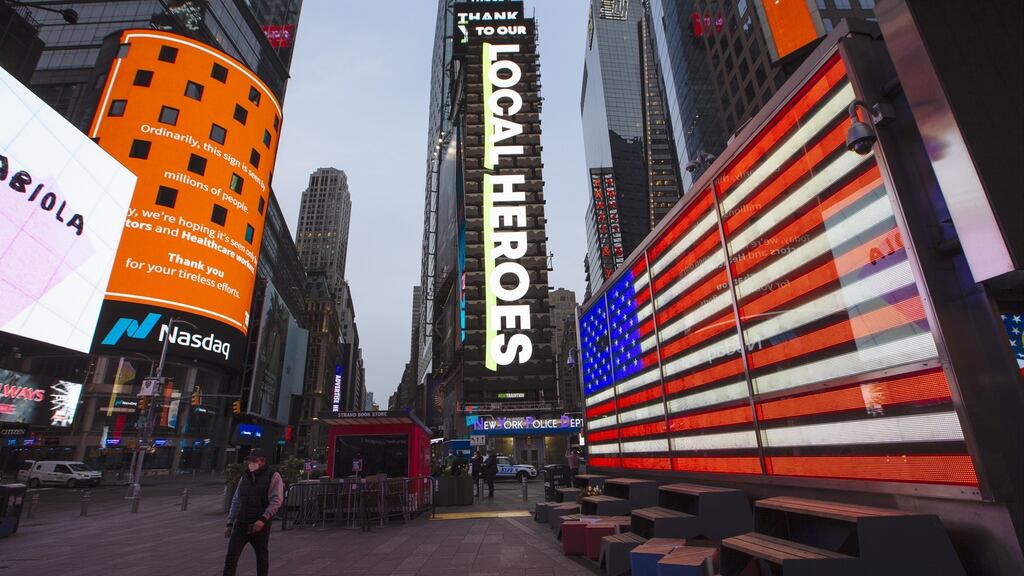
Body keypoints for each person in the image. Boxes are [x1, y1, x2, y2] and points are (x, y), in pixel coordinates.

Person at [223, 449, 283, 576]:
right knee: (231, 557)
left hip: (259, 525)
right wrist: (229, 523)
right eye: (249, 460)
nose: (250, 463)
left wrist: (263, 519)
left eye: (254, 460)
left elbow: (276, 501)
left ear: (262, 461)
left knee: (261, 557)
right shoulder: (245, 476)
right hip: (241, 523)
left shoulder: (273, 476)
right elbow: (236, 500)